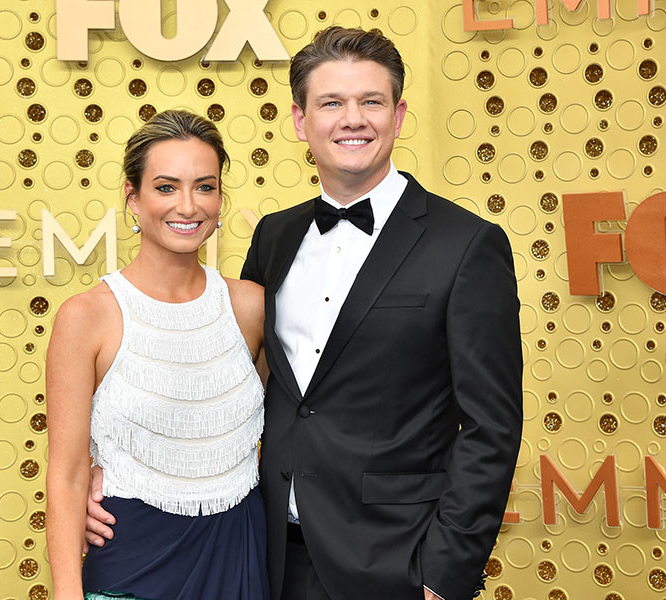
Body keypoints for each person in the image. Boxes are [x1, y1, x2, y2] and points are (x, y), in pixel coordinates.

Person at [87, 27, 522, 600]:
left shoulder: (466, 245)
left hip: (397, 561)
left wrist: (444, 575)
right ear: (300, 120)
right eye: (331, 103)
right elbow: (216, 381)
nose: (353, 119)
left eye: (371, 101)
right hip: (264, 554)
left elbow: (492, 428)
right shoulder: (275, 236)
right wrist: (112, 472)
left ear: (398, 116)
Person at [46, 109, 269, 600]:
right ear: (133, 196)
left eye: (205, 187)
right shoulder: (86, 317)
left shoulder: (251, 306)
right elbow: (66, 475)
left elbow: (290, 432)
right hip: (133, 558)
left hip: (239, 553)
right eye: (166, 187)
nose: (188, 206)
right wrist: (66, 592)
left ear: (220, 198)